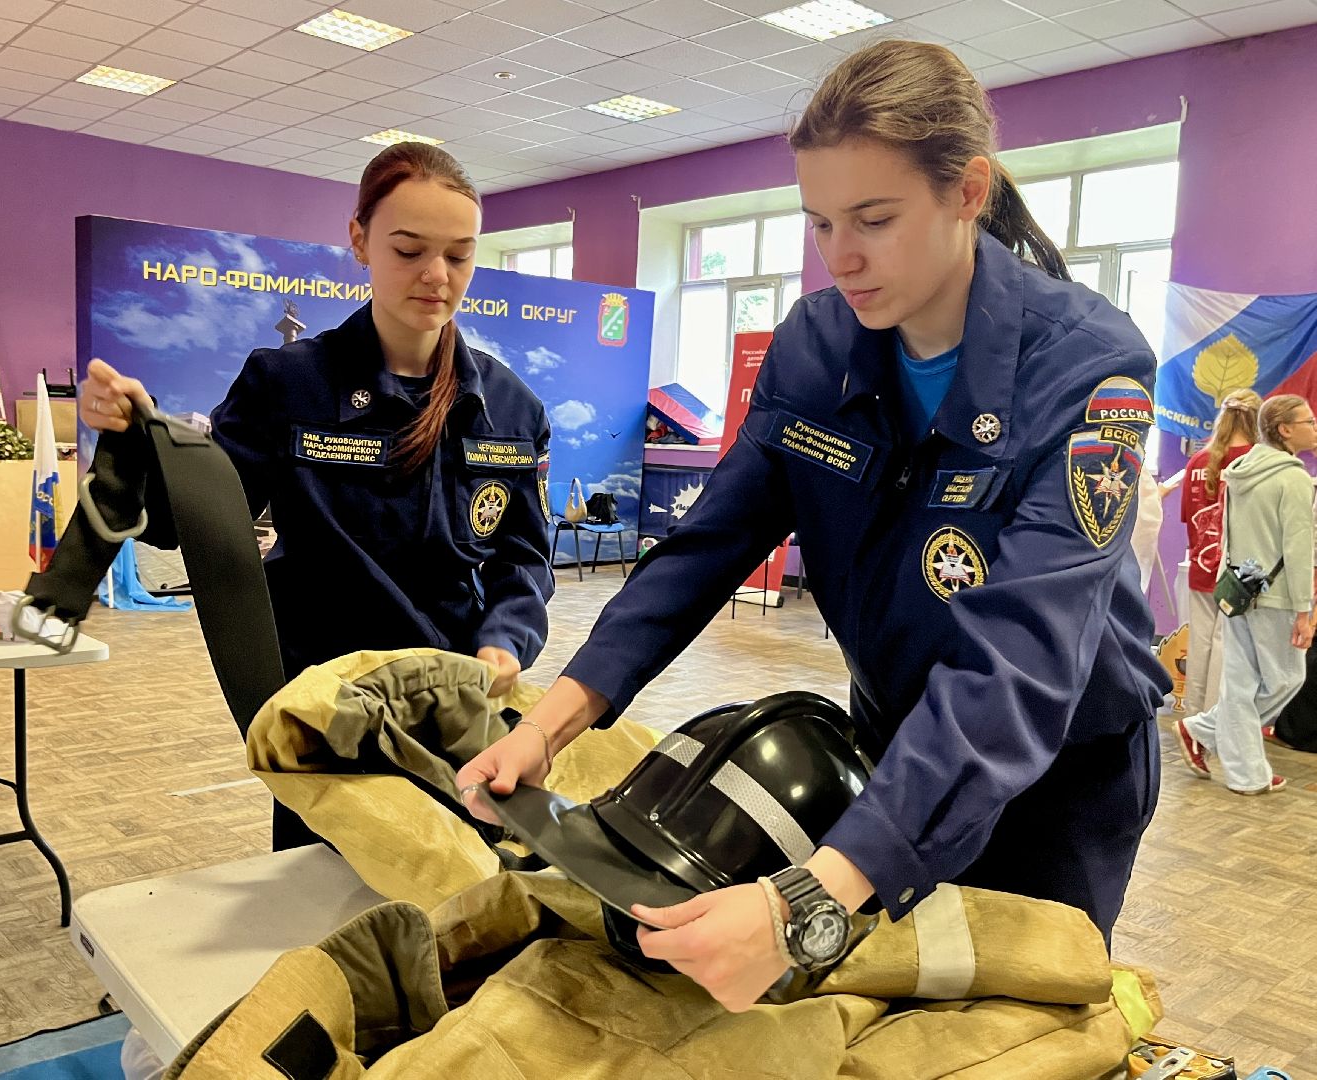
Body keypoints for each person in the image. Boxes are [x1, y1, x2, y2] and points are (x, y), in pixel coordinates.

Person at [459, 38, 1170, 1013]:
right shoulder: (815, 347)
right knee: (888, 1019)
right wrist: (551, 722)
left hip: (1057, 768)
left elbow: (1020, 667)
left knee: (1013, 1031)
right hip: (897, 741)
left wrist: (810, 900)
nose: (841, 256)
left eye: (874, 219)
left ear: (966, 192)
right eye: (820, 221)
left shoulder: (1090, 368)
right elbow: (706, 547)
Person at [81, 142, 556, 846]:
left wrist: (506, 641)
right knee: (324, 907)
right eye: (408, 249)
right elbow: (193, 524)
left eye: (459, 256)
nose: (436, 276)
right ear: (360, 240)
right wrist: (137, 440)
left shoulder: (510, 408)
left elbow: (524, 559)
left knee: (459, 902)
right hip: (327, 711)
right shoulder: (289, 384)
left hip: (458, 708)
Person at [1175, 394, 1317, 795]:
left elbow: (1229, 535)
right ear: (1285, 429)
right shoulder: (1292, 478)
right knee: (1288, 679)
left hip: (1239, 589)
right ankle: (1203, 730)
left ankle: (1244, 769)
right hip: (1279, 597)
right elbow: (1299, 548)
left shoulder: (1239, 469)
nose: (1314, 427)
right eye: (1308, 421)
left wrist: (1229, 582)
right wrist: (1306, 610)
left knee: (1241, 683)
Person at [1178, 390, 1261, 715]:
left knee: (1200, 645)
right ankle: (1213, 723)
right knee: (1229, 649)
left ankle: (1192, 718)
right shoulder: (1256, 460)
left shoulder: (1199, 461)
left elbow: (1188, 518)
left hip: (1200, 564)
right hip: (1242, 571)